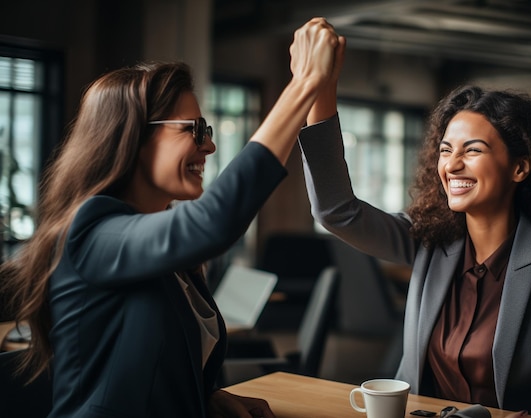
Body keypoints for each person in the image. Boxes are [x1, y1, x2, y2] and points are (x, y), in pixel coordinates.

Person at [0, 17, 344, 418]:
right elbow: (214, 222)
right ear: (133, 136)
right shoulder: (90, 230)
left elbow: (148, 362)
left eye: (208, 129)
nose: (210, 145)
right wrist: (302, 84)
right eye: (194, 129)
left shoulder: (158, 244)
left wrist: (206, 398)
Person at [297, 41, 531, 418]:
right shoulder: (427, 242)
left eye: (473, 150)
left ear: (520, 168)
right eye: (446, 150)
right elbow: (336, 211)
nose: (452, 165)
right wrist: (323, 85)